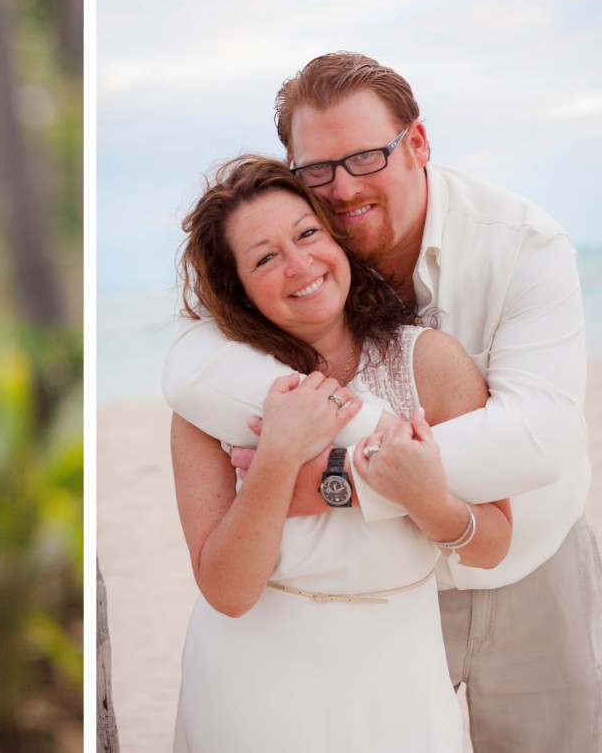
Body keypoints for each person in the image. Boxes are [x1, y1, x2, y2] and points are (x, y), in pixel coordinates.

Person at [163, 52, 601, 753]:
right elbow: (190, 367)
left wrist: (336, 480)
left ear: (417, 145)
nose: (342, 190)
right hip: (295, 659)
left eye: (366, 156)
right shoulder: (302, 265)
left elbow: (538, 440)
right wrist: (283, 461)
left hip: (527, 573)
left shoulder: (519, 251)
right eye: (319, 170)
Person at [170, 154, 512, 752]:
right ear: (240, 290)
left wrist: (425, 500)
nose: (299, 264)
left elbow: (494, 543)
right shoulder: (214, 401)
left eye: (306, 234)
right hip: (251, 685)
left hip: (396, 678)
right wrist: (277, 457)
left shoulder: (430, 363)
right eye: (265, 258)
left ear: (336, 236)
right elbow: (226, 591)